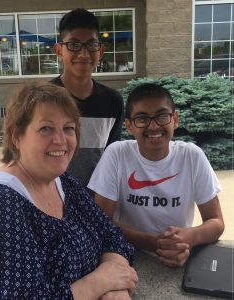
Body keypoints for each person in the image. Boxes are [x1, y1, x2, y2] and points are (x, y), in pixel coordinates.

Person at [0, 83, 138, 299]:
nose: (61, 140)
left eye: (68, 128)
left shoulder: (62, 182)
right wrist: (99, 282)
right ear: (17, 135)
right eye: (46, 128)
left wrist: (115, 281)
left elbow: (111, 235)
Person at [88, 83, 225, 268]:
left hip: (178, 254)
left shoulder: (191, 156)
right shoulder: (117, 155)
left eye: (162, 116)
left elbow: (216, 222)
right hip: (126, 253)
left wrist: (187, 237)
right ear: (129, 125)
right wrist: (153, 242)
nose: (153, 126)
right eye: (142, 118)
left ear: (175, 119)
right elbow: (101, 222)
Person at [51, 8, 124, 187]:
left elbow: (111, 157)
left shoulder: (112, 101)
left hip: (96, 201)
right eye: (74, 45)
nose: (83, 54)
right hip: (51, 199)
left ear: (101, 51)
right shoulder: (44, 98)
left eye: (91, 45)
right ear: (59, 50)